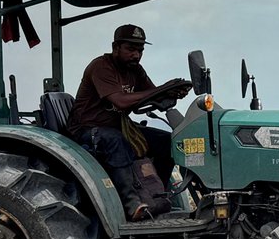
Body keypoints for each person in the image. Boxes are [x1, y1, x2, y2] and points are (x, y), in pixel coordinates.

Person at [66, 24, 191, 219]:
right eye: (130, 49)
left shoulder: (135, 70)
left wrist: (172, 92)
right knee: (115, 140)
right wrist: (162, 89)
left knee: (167, 142)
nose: (136, 55)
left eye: (140, 50)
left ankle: (156, 195)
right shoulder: (101, 67)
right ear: (116, 48)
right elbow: (120, 101)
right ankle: (132, 204)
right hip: (87, 129)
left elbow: (152, 95)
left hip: (116, 127)